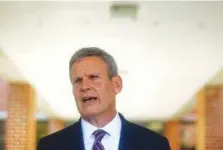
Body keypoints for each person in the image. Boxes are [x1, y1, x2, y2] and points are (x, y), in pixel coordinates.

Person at [37, 47, 171, 150]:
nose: (84, 86)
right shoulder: (49, 146)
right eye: (77, 81)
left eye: (94, 78)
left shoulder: (154, 144)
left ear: (116, 84)